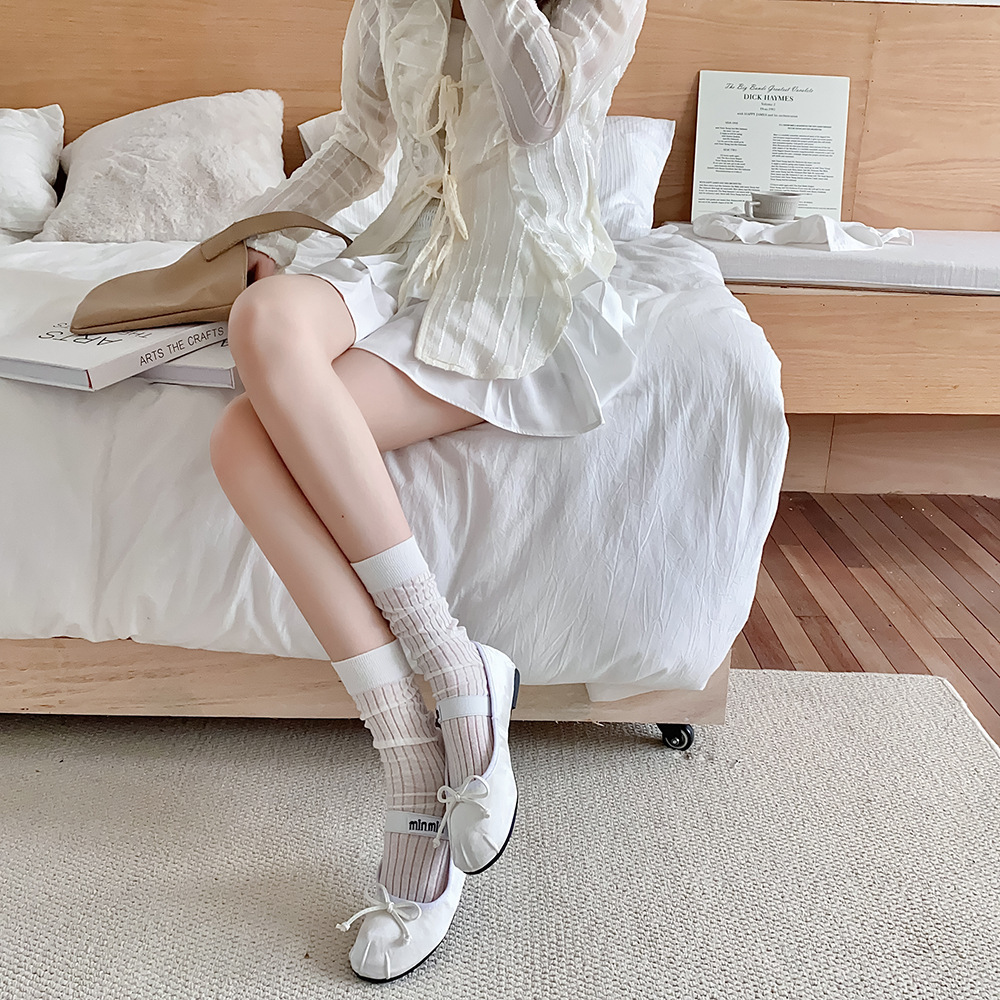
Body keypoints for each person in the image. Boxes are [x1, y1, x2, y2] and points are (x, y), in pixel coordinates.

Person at [208, 0, 646, 981]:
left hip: (523, 281)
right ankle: (437, 706)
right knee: (263, 325)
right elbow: (360, 144)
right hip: (401, 257)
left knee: (244, 439)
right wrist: (249, 237)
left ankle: (430, 741)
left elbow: (540, 112)